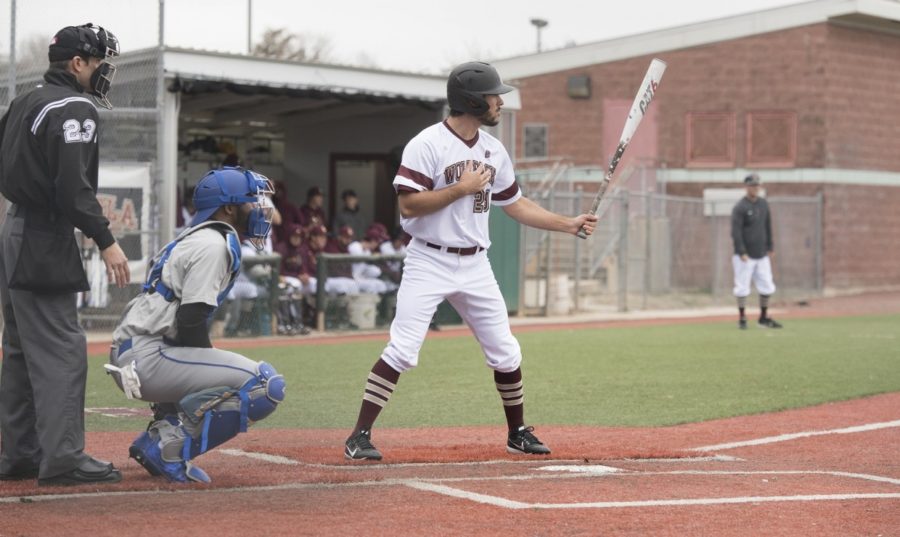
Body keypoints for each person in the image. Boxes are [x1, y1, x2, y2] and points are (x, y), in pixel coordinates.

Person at [343, 61, 597, 461]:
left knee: (506, 351)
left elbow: (515, 204)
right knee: (403, 349)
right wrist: (460, 189)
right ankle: (359, 435)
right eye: (494, 96)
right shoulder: (426, 144)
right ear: (471, 101)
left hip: (476, 263)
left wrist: (568, 224)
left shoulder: (493, 149)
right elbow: (408, 206)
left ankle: (518, 432)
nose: (500, 102)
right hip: (429, 259)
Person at [0, 23, 128, 486]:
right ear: (77, 63)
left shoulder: (25, 100)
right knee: (62, 351)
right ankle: (64, 459)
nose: (101, 72)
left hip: (13, 228)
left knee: (17, 350)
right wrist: (106, 240)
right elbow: (74, 191)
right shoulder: (74, 105)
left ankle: (18, 455)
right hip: (42, 234)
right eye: (97, 63)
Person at [106, 167, 286, 484]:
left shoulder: (201, 236)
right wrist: (206, 380)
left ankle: (161, 435)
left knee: (218, 370)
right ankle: (169, 448)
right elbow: (190, 320)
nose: (257, 208)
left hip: (142, 350)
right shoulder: (213, 245)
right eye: (249, 200)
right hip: (148, 356)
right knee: (265, 385)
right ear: (228, 208)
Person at [731, 173, 782, 330]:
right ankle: (742, 317)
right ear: (746, 187)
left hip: (761, 254)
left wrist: (770, 246)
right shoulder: (740, 207)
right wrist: (741, 251)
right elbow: (736, 231)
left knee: (766, 284)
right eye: (752, 185)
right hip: (745, 255)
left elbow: (767, 226)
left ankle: (763, 317)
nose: (755, 188)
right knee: (742, 286)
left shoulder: (763, 204)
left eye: (757, 185)